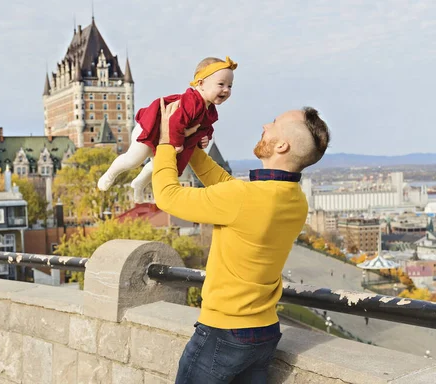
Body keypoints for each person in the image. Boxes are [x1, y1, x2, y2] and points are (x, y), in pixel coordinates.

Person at [152, 99, 330, 383]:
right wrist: (192, 148)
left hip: (223, 332)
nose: (265, 126)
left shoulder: (244, 198)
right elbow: (229, 188)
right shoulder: (296, 200)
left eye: (273, 124)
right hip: (264, 332)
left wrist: (164, 142)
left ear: (282, 146)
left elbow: (167, 197)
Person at [98, 56, 237, 203]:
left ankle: (139, 183)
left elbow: (206, 128)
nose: (226, 90)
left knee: (163, 165)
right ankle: (110, 174)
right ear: (201, 84)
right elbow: (175, 121)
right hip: (151, 130)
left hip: (167, 140)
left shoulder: (210, 110)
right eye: (221, 84)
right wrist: (176, 144)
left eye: (230, 86)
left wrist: (205, 139)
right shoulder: (192, 102)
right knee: (133, 160)